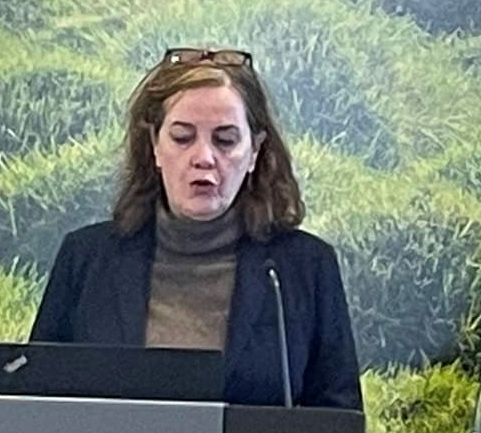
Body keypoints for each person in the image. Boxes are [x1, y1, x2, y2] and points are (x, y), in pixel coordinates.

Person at [30, 47, 362, 410]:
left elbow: (338, 424)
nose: (203, 158)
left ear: (255, 151)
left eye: (225, 140)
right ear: (155, 145)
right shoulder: (86, 259)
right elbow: (34, 408)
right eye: (182, 137)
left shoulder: (304, 268)